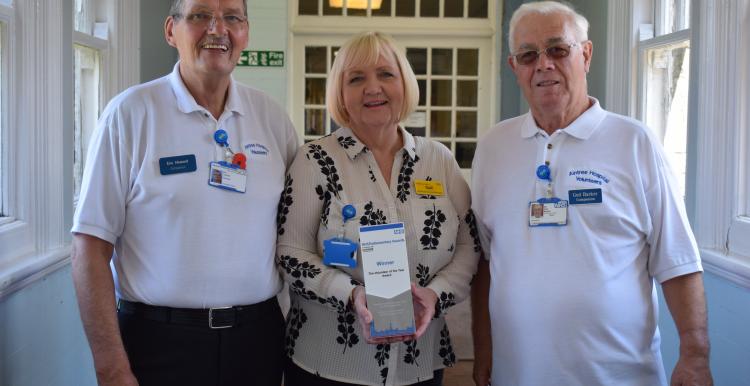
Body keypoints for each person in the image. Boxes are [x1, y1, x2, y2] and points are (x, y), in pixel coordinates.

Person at [470, 2, 712, 386]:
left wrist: (695, 355)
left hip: (619, 376)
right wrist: (483, 350)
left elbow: (677, 261)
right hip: (517, 374)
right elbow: (484, 261)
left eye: (558, 49)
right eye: (529, 55)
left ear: (586, 54)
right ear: (514, 68)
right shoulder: (494, 147)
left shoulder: (635, 143)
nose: (544, 64)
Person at [70, 0, 298, 385]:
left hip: (257, 341)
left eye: (232, 18)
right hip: (158, 343)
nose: (217, 29)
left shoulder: (272, 118)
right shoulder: (130, 114)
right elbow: (89, 247)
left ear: (245, 33)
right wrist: (110, 365)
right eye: (199, 16)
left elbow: (300, 230)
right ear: (170, 31)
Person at [276, 31, 480, 386]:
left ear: (405, 83)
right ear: (340, 93)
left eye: (386, 74)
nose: (373, 88)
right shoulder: (315, 160)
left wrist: (436, 294)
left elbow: (469, 245)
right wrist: (351, 294)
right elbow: (291, 253)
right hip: (329, 362)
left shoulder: (438, 160)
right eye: (356, 78)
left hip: (419, 361)